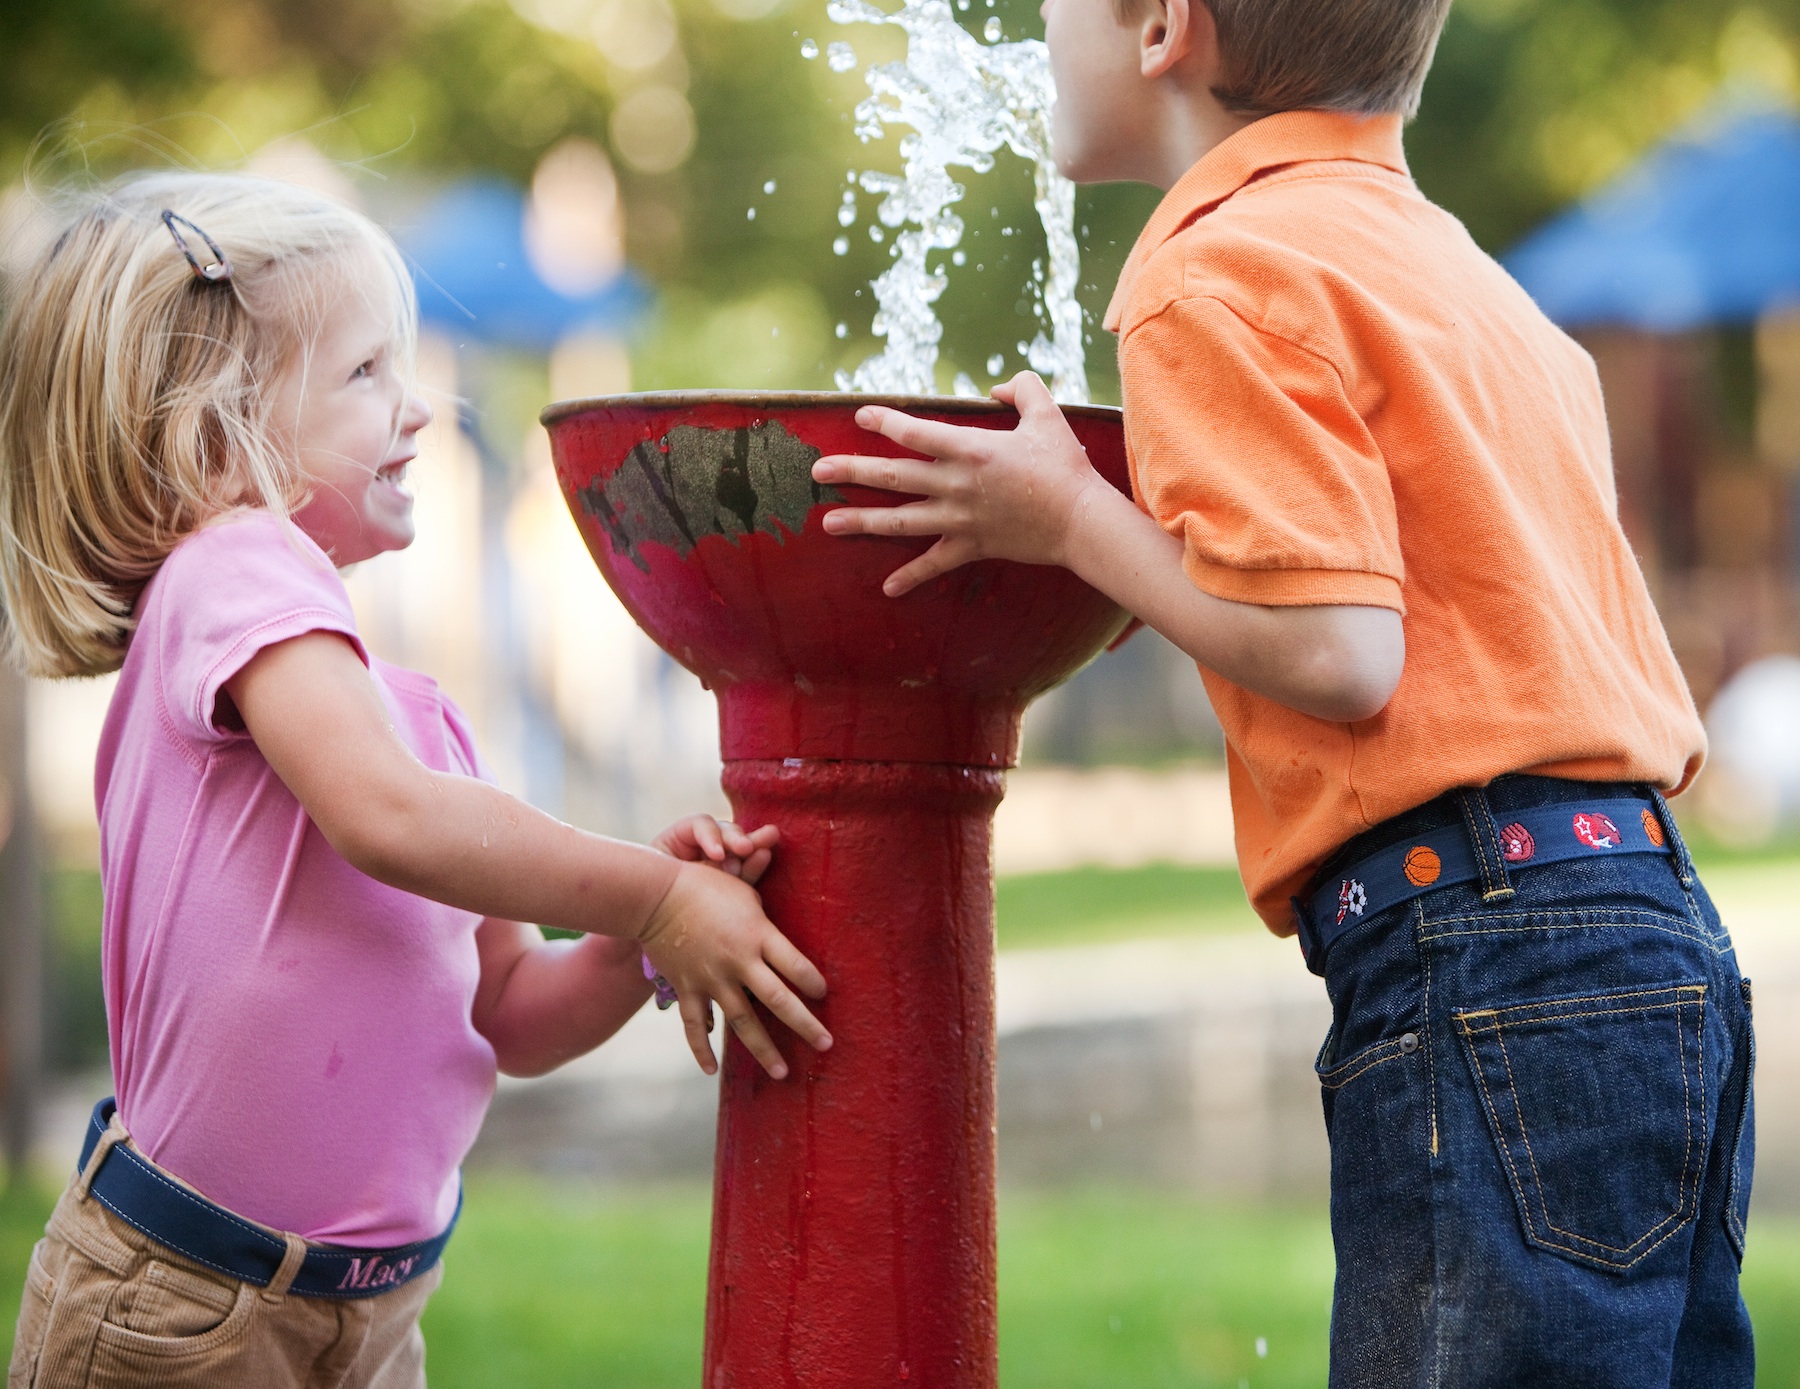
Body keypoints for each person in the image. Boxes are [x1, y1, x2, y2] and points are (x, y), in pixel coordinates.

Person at [811, 0, 1756, 1384]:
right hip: (1651, 936)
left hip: (1481, 948)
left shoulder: (1215, 268)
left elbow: (1340, 651)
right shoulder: (1465, 278)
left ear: (1159, 31)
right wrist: (1157, 558)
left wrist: (1075, 522)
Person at [0, 172, 830, 1389]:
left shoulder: (421, 732)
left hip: (372, 1319)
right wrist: (649, 895)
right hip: (186, 1308)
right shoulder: (230, 566)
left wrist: (626, 951)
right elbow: (384, 821)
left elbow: (509, 1014)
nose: (421, 410)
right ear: (215, 428)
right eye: (365, 375)